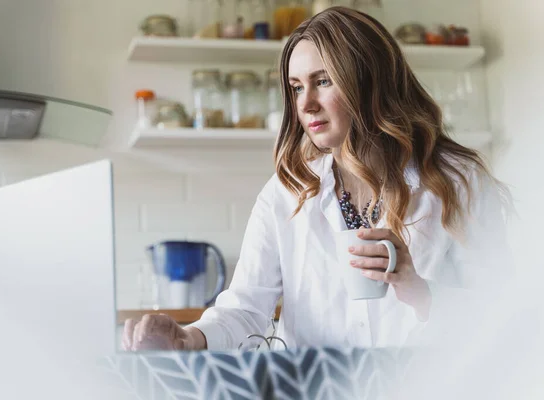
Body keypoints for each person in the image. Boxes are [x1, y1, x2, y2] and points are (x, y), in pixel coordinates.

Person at [122, 7, 512, 352]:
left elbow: (504, 312)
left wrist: (420, 291)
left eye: (323, 81)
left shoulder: (458, 183)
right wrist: (186, 338)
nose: (305, 104)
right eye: (296, 88)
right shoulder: (285, 194)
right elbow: (244, 310)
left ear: (369, 81)